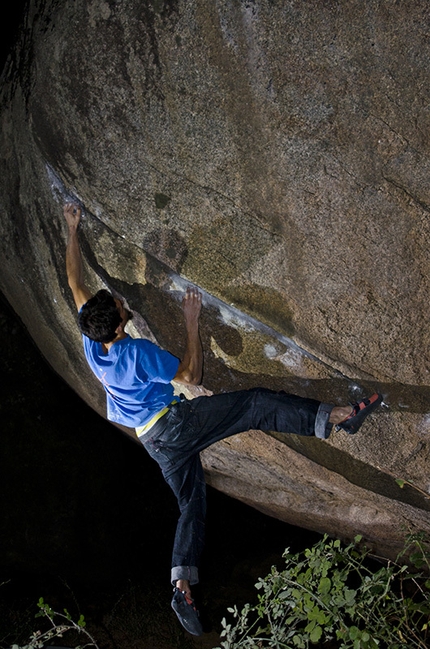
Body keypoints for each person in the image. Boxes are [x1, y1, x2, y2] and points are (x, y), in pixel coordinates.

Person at [63, 202, 383, 636]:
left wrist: (72, 229)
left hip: (152, 441)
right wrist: (191, 322)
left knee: (192, 503)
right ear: (119, 327)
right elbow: (192, 376)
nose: (121, 301)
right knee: (252, 405)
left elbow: (73, 281)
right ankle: (341, 418)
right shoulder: (135, 352)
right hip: (171, 426)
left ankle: (180, 582)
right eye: (121, 306)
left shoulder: (90, 338)